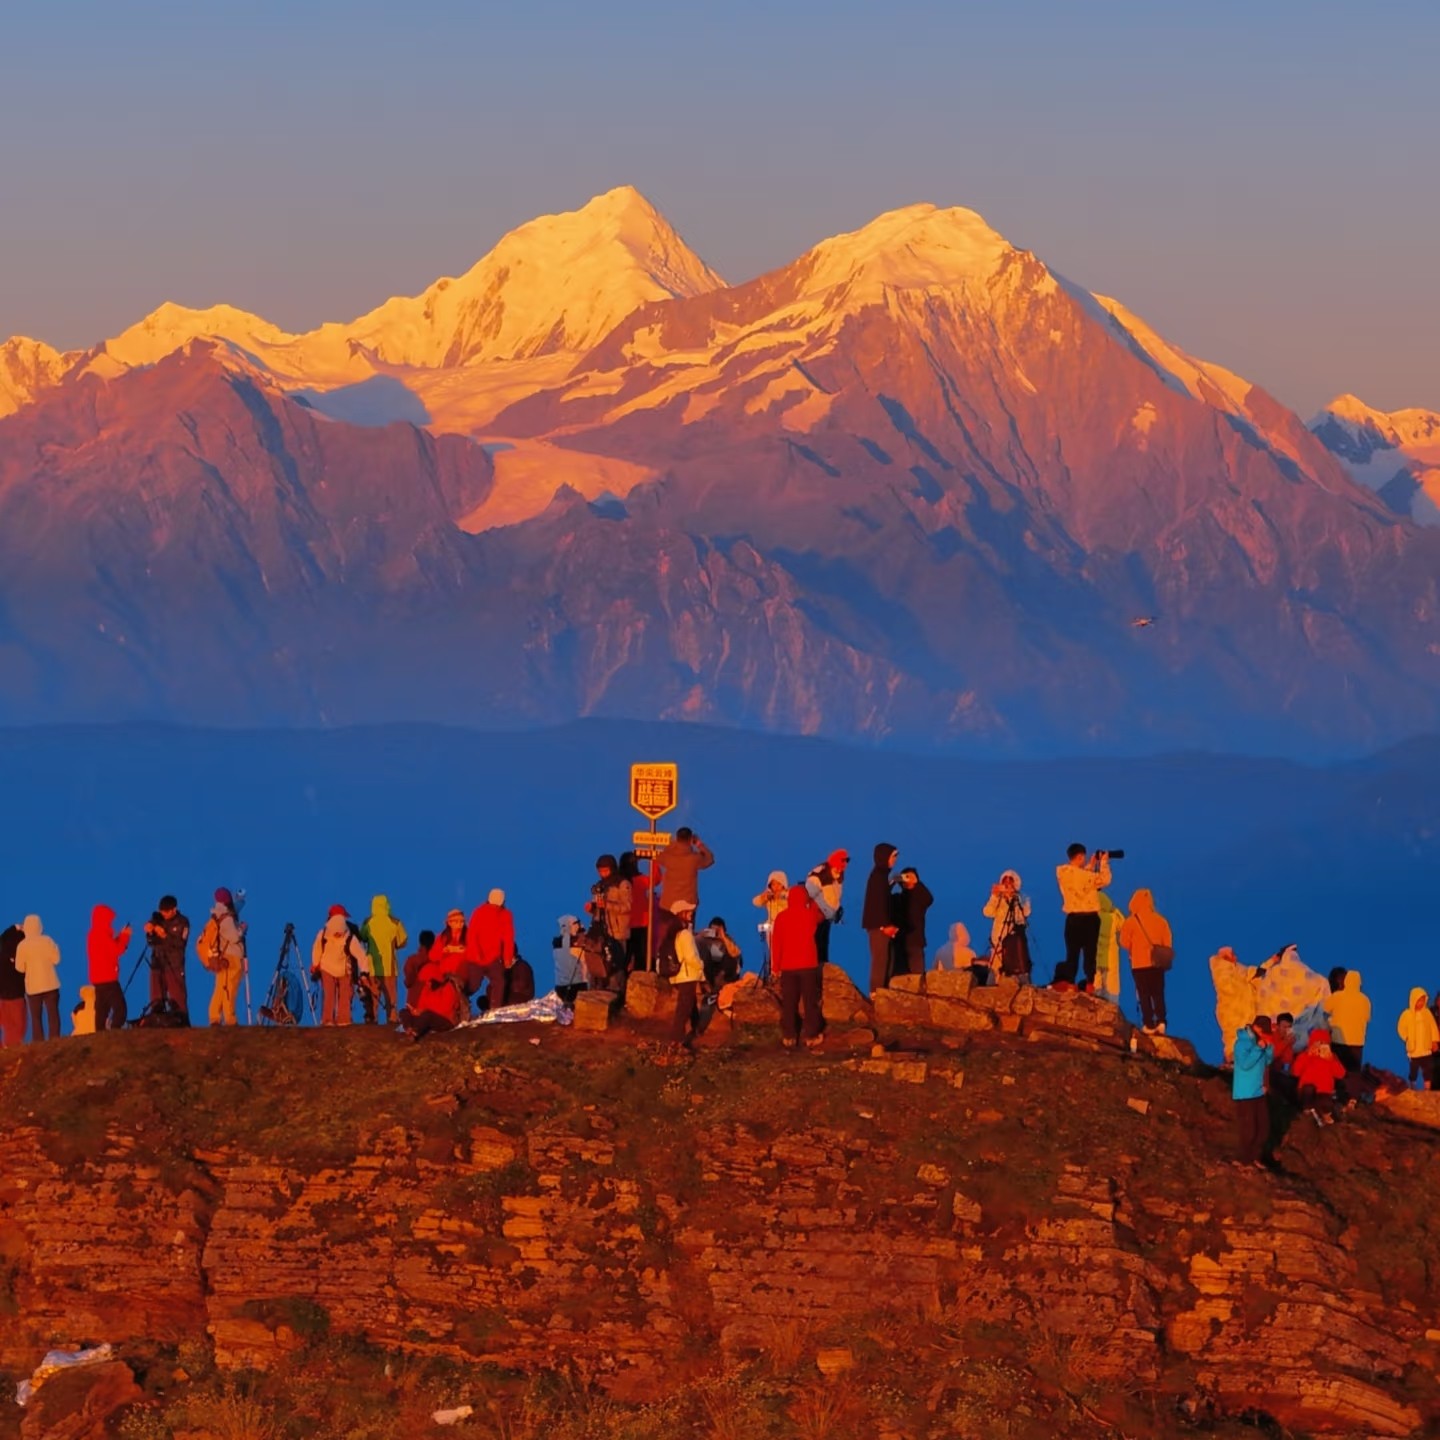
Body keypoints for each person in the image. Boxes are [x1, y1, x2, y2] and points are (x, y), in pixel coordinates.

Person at [772, 883, 823, 1050]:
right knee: (810, 1002)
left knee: (789, 1002)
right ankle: (811, 1035)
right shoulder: (809, 915)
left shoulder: (781, 918)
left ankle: (789, 1036)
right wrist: (812, 901)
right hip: (808, 964)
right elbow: (820, 916)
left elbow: (776, 944)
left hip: (788, 966)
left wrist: (775, 966)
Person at [1054, 844, 1111, 990]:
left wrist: (1090, 865)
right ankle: (1090, 983)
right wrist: (1104, 863)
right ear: (1080, 856)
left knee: (1072, 953)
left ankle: (1070, 983)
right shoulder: (1086, 876)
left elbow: (1080, 880)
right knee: (1090, 953)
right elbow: (1104, 879)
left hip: (1072, 918)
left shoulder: (1063, 873)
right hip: (1089, 918)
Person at [1117, 888, 1173, 1035]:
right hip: (1157, 964)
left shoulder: (1131, 921)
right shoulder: (1161, 921)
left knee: (1144, 994)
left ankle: (1148, 1024)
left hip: (1139, 964)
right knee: (1158, 993)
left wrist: (1135, 947)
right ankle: (1161, 1021)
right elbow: (1167, 943)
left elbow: (1123, 942)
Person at [312, 905, 367, 1027]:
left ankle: (327, 1020)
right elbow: (361, 954)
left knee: (329, 995)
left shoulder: (323, 934)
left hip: (326, 967)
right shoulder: (349, 936)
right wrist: (364, 972)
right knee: (345, 995)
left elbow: (317, 950)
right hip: (344, 969)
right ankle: (344, 1020)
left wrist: (315, 965)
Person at [1232, 1016, 1275, 1170]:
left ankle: (1256, 1157)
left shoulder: (1260, 1043)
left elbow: (1267, 1061)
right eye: (1263, 1031)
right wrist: (1258, 1049)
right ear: (1256, 1028)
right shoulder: (1242, 1043)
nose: (1264, 1035)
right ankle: (1244, 1160)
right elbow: (1244, 1064)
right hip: (1245, 1093)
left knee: (1263, 1128)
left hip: (1259, 1091)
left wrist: (1268, 1048)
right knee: (1249, 1129)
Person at [360, 896, 408, 1024]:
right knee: (390, 997)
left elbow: (362, 937)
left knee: (373, 996)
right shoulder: (395, 922)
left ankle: (372, 1020)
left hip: (372, 966)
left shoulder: (367, 922)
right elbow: (403, 941)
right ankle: (392, 1020)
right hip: (389, 966)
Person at [204, 888, 247, 1027]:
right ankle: (230, 1019)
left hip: (223, 958)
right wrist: (242, 929)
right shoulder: (227, 919)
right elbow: (234, 937)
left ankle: (214, 1017)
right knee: (230, 989)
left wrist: (239, 899)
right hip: (231, 958)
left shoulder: (218, 915)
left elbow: (235, 908)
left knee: (220, 988)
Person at [1209, 945, 1259, 1065]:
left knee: (1245, 1036)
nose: (1235, 957)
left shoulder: (1239, 970)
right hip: (1231, 1010)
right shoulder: (1222, 970)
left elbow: (1252, 974)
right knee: (1234, 1036)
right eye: (1232, 955)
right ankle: (1231, 1061)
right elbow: (1227, 987)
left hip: (1242, 1011)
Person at [15, 914, 61, 1041]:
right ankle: (55, 1039)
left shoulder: (22, 945)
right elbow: (57, 959)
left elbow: (19, 968)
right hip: (51, 984)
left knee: (36, 1018)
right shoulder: (47, 940)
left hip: (33, 987)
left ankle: (38, 1041)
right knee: (53, 1014)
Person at [468, 889, 516, 1012]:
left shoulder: (504, 914)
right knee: (474, 986)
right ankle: (460, 1004)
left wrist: (507, 958)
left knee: (498, 982)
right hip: (479, 958)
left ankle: (495, 1010)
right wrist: (476, 954)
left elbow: (508, 938)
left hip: (491, 958)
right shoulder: (480, 912)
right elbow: (472, 935)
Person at [87, 905, 132, 1032]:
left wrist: (119, 936)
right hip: (108, 977)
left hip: (98, 978)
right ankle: (115, 1030)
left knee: (102, 1009)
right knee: (120, 1008)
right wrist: (125, 936)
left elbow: (109, 949)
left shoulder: (93, 934)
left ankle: (100, 1033)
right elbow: (116, 950)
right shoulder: (102, 934)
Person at [144, 897, 190, 1023]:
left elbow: (180, 944)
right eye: (162, 911)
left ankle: (182, 1022)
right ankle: (157, 1019)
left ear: (174, 909)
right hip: (157, 962)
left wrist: (164, 935)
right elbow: (151, 942)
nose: (163, 914)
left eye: (166, 912)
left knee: (177, 996)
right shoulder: (157, 919)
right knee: (156, 996)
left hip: (174, 964)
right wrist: (150, 932)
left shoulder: (182, 922)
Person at [862, 843, 900, 995]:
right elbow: (877, 903)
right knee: (880, 961)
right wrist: (884, 926)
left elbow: (881, 897)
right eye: (893, 856)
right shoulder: (878, 876)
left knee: (885, 960)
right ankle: (876, 994)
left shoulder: (881, 875)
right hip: (878, 927)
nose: (895, 859)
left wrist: (892, 882)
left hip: (878, 925)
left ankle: (880, 993)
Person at [587, 856, 632, 982]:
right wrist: (592, 909)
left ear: (612, 868)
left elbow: (627, 906)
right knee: (602, 962)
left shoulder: (622, 884)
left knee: (616, 963)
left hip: (617, 931)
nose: (603, 874)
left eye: (605, 870)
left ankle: (617, 989)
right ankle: (600, 986)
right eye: (600, 871)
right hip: (602, 931)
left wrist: (608, 905)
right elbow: (598, 909)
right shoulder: (600, 886)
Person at [667, 901, 705, 1048]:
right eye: (688, 911)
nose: (691, 913)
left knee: (690, 1002)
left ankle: (696, 1027)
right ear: (681, 913)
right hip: (687, 975)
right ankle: (676, 1038)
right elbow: (691, 957)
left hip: (680, 976)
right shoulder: (684, 934)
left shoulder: (674, 933)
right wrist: (701, 966)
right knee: (684, 1007)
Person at [982, 871, 1031, 980]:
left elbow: (1025, 913)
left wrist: (1014, 897)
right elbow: (987, 912)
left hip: (1014, 941)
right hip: (998, 942)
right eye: (1005, 881)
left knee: (1016, 971)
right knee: (995, 971)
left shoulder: (1022, 897)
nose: (1007, 884)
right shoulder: (998, 898)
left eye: (1010, 881)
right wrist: (994, 896)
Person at [1292, 1027, 1346, 1126]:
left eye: (1323, 1043)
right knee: (1308, 1089)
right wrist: (1308, 1055)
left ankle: (1324, 1115)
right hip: (1307, 1091)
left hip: (1324, 1092)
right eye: (1317, 1043)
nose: (1320, 1046)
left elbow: (1341, 1074)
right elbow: (1295, 1072)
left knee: (1325, 1102)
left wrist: (1331, 1060)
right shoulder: (1304, 1055)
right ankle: (1308, 1111)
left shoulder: (1331, 1057)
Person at [656, 828, 714, 914]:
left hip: (668, 904)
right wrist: (699, 844)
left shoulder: (668, 856)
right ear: (690, 840)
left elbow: (660, 855)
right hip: (687, 905)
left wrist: (674, 843)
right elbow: (710, 859)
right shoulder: (694, 859)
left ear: (677, 838)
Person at [1323, 970, 1371, 1075]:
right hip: (1357, 1043)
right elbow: (1367, 1018)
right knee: (1353, 1073)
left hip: (1338, 1040)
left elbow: (1325, 1009)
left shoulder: (1337, 996)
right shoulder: (1365, 1000)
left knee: (1337, 1071)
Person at [805, 851, 848, 966]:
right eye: (842, 862)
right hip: (817, 917)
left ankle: (822, 966)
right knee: (817, 944)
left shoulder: (838, 875)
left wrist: (837, 909)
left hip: (827, 917)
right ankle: (816, 967)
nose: (842, 868)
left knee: (824, 944)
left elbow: (835, 894)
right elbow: (808, 895)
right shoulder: (819, 874)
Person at [892, 867, 933, 980]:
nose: (907, 879)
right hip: (899, 943)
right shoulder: (899, 898)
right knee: (900, 977)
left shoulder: (919, 897)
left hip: (915, 941)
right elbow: (882, 899)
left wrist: (917, 884)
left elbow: (929, 899)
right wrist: (893, 881)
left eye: (909, 876)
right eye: (904, 877)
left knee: (917, 976)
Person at [1398, 988, 1439, 1089]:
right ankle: (1413, 1086)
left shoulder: (1427, 1013)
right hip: (1414, 1050)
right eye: (1419, 1001)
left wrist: (1434, 1041)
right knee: (1414, 1070)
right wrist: (1407, 1037)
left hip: (1426, 1049)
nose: (1421, 1003)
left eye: (1422, 1000)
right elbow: (1401, 1028)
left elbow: (1433, 1027)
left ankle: (1427, 1089)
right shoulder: (1407, 1014)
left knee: (1428, 1069)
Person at [621, 852, 651, 974]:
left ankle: (623, 980)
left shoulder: (620, 882)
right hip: (641, 922)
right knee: (641, 957)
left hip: (625, 923)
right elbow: (657, 879)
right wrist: (653, 860)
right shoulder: (641, 880)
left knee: (624, 957)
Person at [0, 922, 27, 1047]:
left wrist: (14, 927)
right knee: (17, 1029)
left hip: (2, 997)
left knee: (8, 1026)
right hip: (16, 996)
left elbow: (3, 938)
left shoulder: (2, 954)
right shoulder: (21, 956)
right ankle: (12, 1051)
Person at [403, 930, 436, 1008]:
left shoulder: (411, 960)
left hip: (413, 1004)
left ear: (420, 941)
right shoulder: (436, 962)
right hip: (431, 1006)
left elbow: (408, 982)